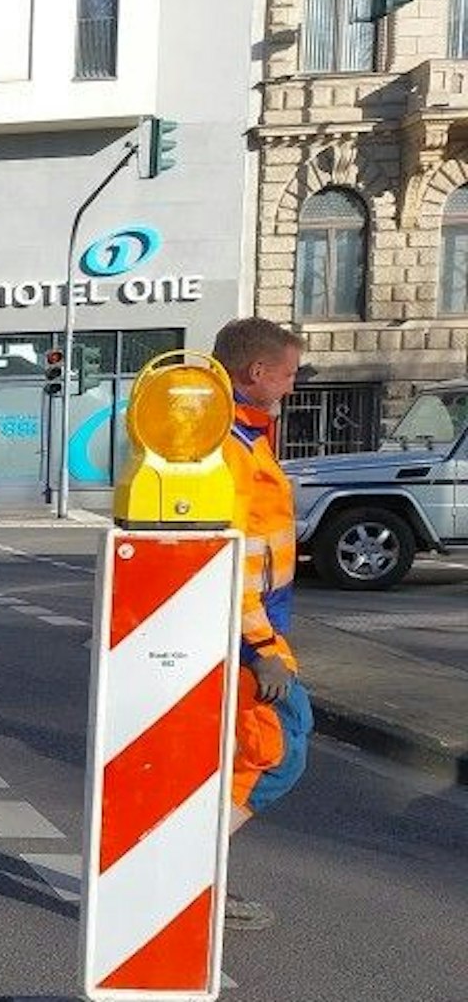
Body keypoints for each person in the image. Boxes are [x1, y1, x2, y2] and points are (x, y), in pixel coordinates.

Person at [210, 316, 312, 932]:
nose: (293, 385)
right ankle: (192, 871)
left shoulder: (244, 435)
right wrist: (261, 645)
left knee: (264, 747)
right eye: (290, 373)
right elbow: (237, 556)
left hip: (260, 632)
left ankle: (196, 873)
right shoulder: (230, 443)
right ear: (257, 373)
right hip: (253, 637)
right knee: (275, 755)